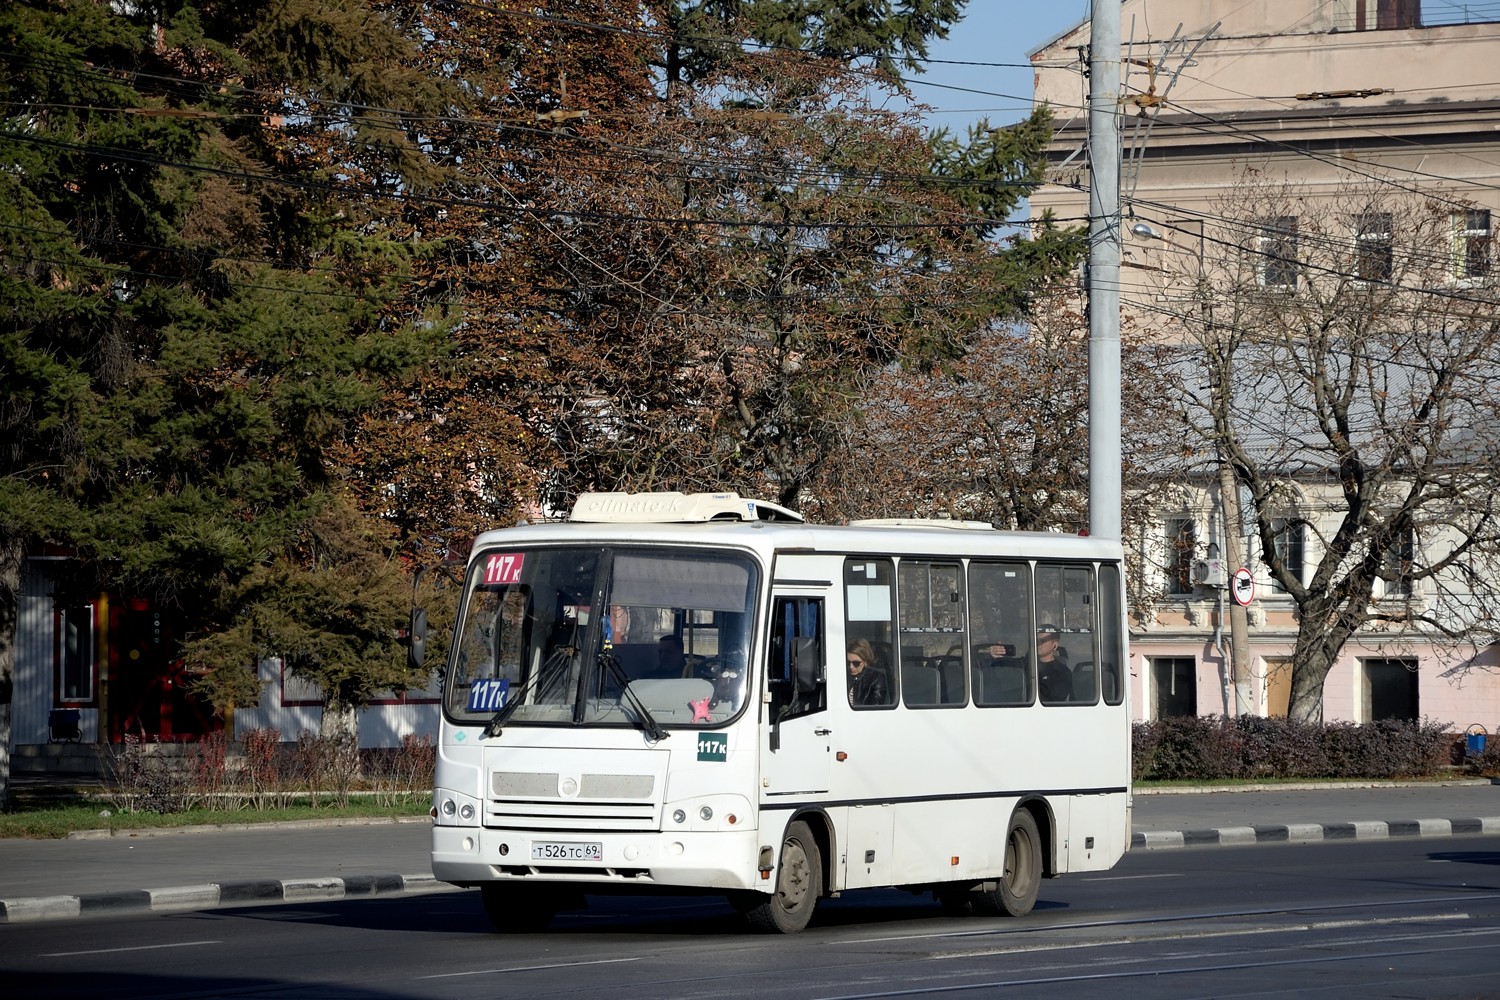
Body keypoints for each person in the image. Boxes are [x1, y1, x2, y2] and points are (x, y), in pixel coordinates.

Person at [846, 638, 890, 706]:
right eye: (848, 662)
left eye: (856, 663)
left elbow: (874, 707)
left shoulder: (876, 678)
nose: (851, 667)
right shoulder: (842, 676)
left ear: (865, 661)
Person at [1036, 624, 1072, 702]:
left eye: (1043, 640)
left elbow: (1054, 701)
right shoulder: (1027, 664)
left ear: (1055, 645)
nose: (1038, 644)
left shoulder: (1062, 673)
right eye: (1036, 640)